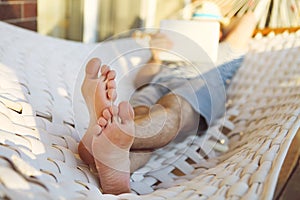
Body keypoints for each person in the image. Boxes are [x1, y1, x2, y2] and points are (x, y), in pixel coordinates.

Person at [78, 12, 257, 194]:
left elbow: (248, 18)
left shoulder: (225, 51)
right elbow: (141, 80)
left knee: (172, 108)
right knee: (138, 116)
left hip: (199, 82)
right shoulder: (173, 50)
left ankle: (108, 134)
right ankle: (118, 162)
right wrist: (156, 56)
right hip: (154, 85)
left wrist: (220, 22)